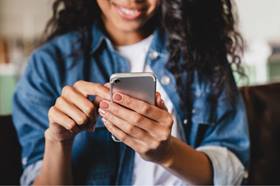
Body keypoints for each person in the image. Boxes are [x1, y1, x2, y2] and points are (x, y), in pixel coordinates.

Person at [13, 0, 249, 185]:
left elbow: (232, 174)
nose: (131, 0)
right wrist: (57, 141)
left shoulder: (202, 53)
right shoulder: (48, 65)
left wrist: (166, 153)